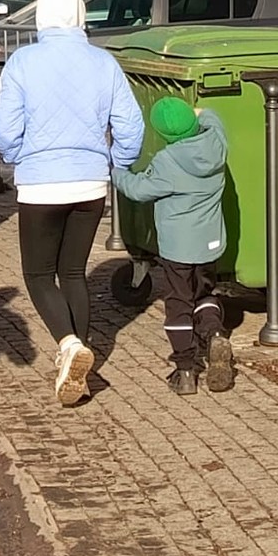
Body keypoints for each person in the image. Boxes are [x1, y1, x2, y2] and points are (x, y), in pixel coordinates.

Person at [0, 0, 144, 406]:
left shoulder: (23, 61)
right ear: (80, 14)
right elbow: (130, 124)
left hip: (41, 182)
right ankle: (79, 359)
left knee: (38, 275)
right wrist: (118, 162)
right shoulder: (103, 62)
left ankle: (69, 344)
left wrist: (18, 154)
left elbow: (5, 125)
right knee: (73, 272)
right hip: (90, 181)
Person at [112, 97, 235, 397]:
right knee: (204, 293)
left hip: (178, 249)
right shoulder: (216, 144)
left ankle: (185, 370)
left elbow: (138, 190)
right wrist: (198, 114)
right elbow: (212, 116)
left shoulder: (167, 162)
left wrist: (116, 171)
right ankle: (216, 335)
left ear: (165, 135)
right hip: (210, 243)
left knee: (179, 303)